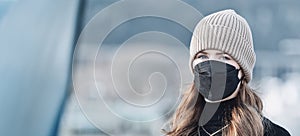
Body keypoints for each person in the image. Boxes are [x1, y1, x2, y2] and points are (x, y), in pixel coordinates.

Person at [163, 9, 290, 136]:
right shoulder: (178, 132)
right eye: (203, 56)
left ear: (242, 70)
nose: (211, 65)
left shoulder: (269, 133)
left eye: (224, 57)